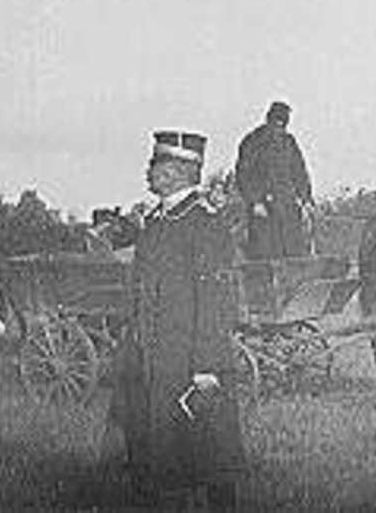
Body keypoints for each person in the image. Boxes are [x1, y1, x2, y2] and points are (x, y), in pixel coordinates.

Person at [110, 130, 247, 510]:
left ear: (182, 171)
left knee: (210, 454)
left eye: (157, 164)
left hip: (191, 361)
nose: (148, 170)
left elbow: (216, 299)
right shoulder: (155, 220)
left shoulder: (205, 223)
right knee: (160, 452)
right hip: (152, 360)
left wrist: (207, 365)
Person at [234, 100, 316, 259]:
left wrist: (306, 199)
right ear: (269, 119)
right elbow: (243, 174)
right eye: (276, 122)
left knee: (293, 251)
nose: (279, 127)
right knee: (264, 252)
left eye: (283, 123)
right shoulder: (253, 141)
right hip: (264, 209)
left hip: (288, 208)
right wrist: (255, 201)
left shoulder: (289, 142)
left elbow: (300, 172)